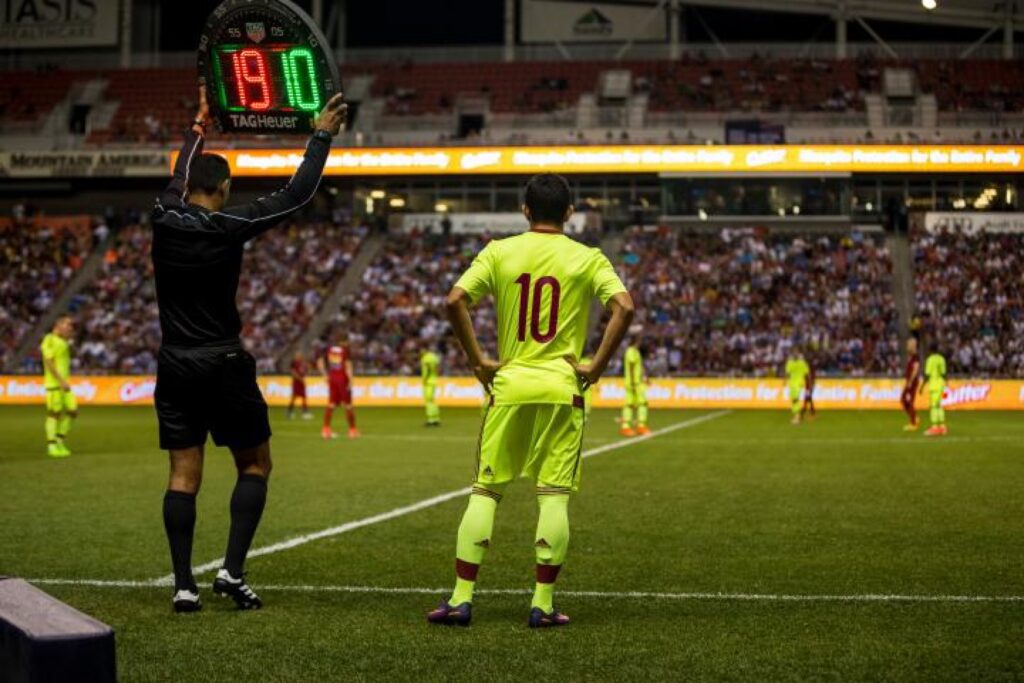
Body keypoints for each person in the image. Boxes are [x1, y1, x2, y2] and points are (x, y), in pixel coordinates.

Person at [152, 87, 347, 613]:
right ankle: (231, 574)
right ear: (226, 187)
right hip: (222, 363)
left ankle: (183, 586)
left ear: (189, 187)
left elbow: (177, 173)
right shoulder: (228, 227)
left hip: (174, 363)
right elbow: (296, 195)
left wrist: (197, 126)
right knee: (255, 464)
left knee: (182, 475)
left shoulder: (163, 217)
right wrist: (321, 136)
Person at [428, 173, 634, 628]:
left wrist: (480, 361)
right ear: (569, 213)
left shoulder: (500, 252)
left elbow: (454, 300)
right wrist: (595, 367)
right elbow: (625, 306)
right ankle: (541, 604)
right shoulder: (587, 257)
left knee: (485, 491)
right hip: (562, 389)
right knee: (553, 497)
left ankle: (461, 600)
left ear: (524, 212)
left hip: (509, 387)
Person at [41, 316, 77, 458]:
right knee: (54, 413)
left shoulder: (63, 341)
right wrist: (60, 380)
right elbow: (49, 362)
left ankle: (59, 440)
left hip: (65, 383)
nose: (71, 328)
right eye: (68, 324)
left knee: (73, 411)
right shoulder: (49, 339)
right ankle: (51, 445)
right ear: (58, 324)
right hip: (54, 384)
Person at [319, 335, 359, 439]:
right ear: (343, 341)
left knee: (331, 404)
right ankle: (352, 430)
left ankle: (326, 430)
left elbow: (319, 362)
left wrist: (324, 375)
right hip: (342, 379)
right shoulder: (345, 350)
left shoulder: (329, 349)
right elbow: (348, 365)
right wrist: (351, 379)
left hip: (332, 378)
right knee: (348, 405)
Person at [620, 337, 649, 436]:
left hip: (634, 382)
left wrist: (645, 377)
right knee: (642, 403)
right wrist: (632, 381)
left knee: (630, 404)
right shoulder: (632, 351)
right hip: (635, 383)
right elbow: (631, 366)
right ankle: (641, 426)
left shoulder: (635, 351)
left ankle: (626, 427)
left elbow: (639, 366)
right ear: (636, 341)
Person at [923, 348, 948, 436]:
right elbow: (944, 373)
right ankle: (942, 426)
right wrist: (946, 384)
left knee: (933, 407)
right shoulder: (941, 359)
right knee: (940, 406)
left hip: (933, 385)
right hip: (941, 384)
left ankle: (934, 427)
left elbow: (927, 374)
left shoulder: (930, 359)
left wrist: (922, 386)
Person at [900, 337, 922, 431]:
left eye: (908, 345)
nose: (907, 347)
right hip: (909, 381)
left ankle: (913, 423)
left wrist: (910, 381)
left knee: (908, 400)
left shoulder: (916, 357)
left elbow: (915, 370)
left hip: (912, 382)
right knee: (904, 399)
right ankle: (914, 418)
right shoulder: (911, 356)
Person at [785, 349, 810, 425]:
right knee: (793, 400)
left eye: (797, 353)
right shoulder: (790, 363)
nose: (795, 355)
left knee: (795, 399)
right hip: (792, 384)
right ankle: (796, 415)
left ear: (799, 355)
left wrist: (808, 384)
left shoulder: (802, 363)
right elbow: (787, 373)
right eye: (794, 353)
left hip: (798, 383)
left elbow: (806, 374)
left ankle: (797, 417)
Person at [287, 351, 312, 420]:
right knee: (294, 397)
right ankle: (289, 412)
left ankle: (305, 412)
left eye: (299, 355)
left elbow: (306, 370)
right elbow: (293, 372)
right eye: (297, 354)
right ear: (295, 356)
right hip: (296, 382)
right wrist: (300, 378)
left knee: (304, 397)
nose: (298, 356)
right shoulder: (293, 362)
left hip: (301, 382)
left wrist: (308, 369)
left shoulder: (303, 363)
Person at [421, 346, 441, 427]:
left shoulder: (425, 359)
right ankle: (436, 418)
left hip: (428, 382)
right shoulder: (435, 357)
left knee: (428, 401)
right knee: (432, 400)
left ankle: (431, 420)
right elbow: (437, 369)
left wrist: (424, 380)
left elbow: (426, 371)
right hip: (434, 380)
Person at [800, 352, 817, 420]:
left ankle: (804, 411)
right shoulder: (810, 367)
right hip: (809, 384)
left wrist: (810, 384)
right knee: (808, 398)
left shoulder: (808, 367)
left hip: (810, 384)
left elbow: (809, 376)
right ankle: (810, 411)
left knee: (808, 398)